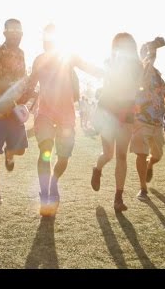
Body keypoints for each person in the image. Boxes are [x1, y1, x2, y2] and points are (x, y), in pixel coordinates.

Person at [27, 24, 103, 216]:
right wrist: (15, 103)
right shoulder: (39, 60)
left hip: (66, 115)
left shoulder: (69, 57)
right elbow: (30, 85)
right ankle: (45, 194)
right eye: (46, 37)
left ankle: (54, 183)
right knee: (45, 151)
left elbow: (89, 67)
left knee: (63, 158)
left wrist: (109, 74)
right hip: (44, 112)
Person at [90, 33, 143, 212]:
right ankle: (97, 168)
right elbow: (110, 87)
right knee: (108, 154)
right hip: (108, 111)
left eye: (126, 45)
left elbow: (136, 89)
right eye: (119, 46)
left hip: (127, 111)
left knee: (122, 155)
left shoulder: (138, 66)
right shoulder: (109, 63)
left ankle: (118, 198)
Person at [0, 18, 30, 203]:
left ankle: (10, 153)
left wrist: (23, 92)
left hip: (14, 110)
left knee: (20, 150)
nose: (16, 35)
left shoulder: (21, 54)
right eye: (12, 31)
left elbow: (20, 79)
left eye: (19, 32)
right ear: (5, 33)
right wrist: (5, 100)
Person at [130, 37, 165, 201]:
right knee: (141, 154)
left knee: (157, 155)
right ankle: (143, 188)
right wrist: (153, 49)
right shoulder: (138, 70)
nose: (151, 56)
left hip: (157, 121)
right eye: (147, 53)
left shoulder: (158, 74)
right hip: (141, 119)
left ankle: (150, 164)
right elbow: (143, 76)